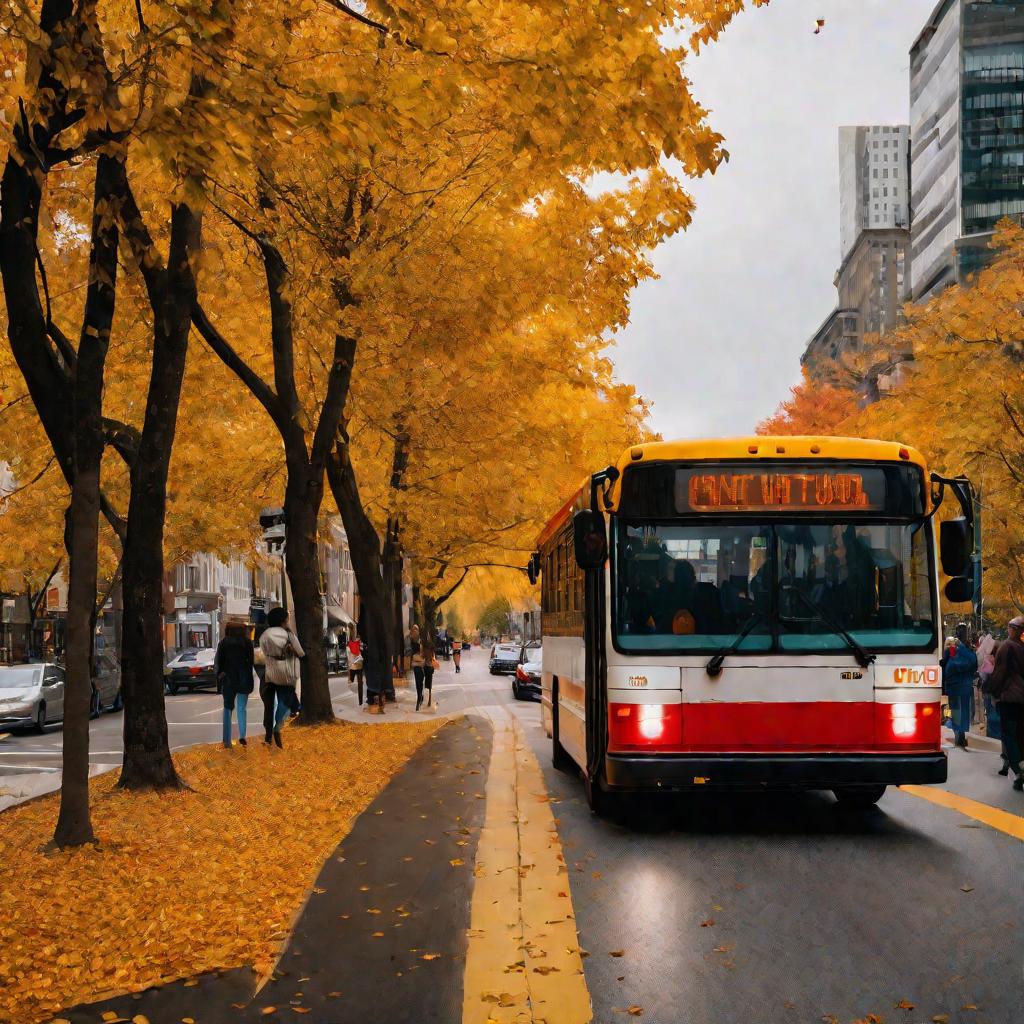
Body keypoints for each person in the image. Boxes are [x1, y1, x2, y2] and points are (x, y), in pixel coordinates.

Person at [986, 616, 1024, 791]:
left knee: (1008, 734)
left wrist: (990, 689)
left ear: (1014, 629)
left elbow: (999, 674)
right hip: (1021, 699)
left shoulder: (1006, 647)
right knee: (1019, 734)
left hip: (1009, 698)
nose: (1008, 629)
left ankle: (1017, 771)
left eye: (1010, 627)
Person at [259, 607, 304, 747]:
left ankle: (267, 737)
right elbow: (301, 653)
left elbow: (263, 652)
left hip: (269, 672)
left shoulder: (264, 635)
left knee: (268, 705)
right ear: (284, 620)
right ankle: (277, 728)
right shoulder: (289, 635)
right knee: (285, 702)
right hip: (285, 673)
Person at [215, 620, 255, 748]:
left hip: (228, 679)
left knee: (227, 708)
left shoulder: (223, 643)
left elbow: (218, 662)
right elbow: (251, 661)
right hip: (244, 678)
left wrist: (220, 674)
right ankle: (242, 736)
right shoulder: (247, 642)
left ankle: (227, 740)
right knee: (242, 709)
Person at [942, 636, 978, 749]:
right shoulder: (965, 654)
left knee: (956, 711)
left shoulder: (951, 654)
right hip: (965, 686)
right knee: (963, 711)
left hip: (954, 687)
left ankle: (959, 736)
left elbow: (947, 668)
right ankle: (960, 735)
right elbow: (973, 665)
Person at [410, 624, 426, 710]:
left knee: (420, 681)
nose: (415, 631)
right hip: (417, 664)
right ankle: (419, 696)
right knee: (418, 681)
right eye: (414, 630)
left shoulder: (420, 640)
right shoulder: (411, 640)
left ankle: (420, 696)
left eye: (416, 630)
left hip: (420, 663)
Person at [348, 631, 365, 706]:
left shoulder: (349, 644)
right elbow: (363, 651)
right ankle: (360, 702)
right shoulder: (360, 644)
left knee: (355, 681)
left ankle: (360, 701)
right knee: (359, 683)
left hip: (353, 665)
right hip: (358, 664)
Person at [421, 634, 436, 709]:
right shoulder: (431, 650)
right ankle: (428, 699)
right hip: (429, 667)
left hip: (425, 667)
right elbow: (433, 659)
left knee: (425, 683)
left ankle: (425, 698)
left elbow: (423, 656)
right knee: (429, 684)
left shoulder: (425, 649)